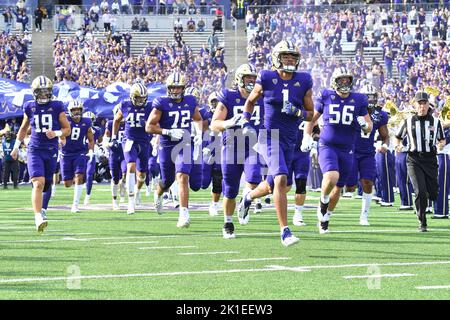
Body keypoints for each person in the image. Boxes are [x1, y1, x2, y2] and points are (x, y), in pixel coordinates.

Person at [241, 40, 314, 246]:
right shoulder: (266, 77)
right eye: (286, 56)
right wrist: (246, 121)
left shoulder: (304, 80)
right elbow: (250, 101)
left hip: (290, 138)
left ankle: (247, 198)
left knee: (275, 184)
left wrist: (298, 112)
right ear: (276, 58)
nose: (290, 60)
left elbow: (310, 114)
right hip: (269, 135)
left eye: (293, 57)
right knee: (281, 179)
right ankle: (285, 231)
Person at [303, 67, 373, 234]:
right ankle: (323, 200)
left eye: (347, 80)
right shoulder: (326, 95)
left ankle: (326, 217)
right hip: (328, 145)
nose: (344, 83)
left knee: (338, 188)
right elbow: (311, 118)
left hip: (348, 148)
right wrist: (307, 135)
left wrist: (365, 126)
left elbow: (369, 126)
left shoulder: (359, 99)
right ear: (334, 81)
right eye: (341, 80)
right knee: (332, 175)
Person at [10, 76, 71, 233]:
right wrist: (16, 147)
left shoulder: (57, 106)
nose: (43, 96)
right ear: (35, 92)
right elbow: (24, 129)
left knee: (47, 183)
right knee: (38, 183)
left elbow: (67, 129)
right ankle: (38, 217)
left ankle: (43, 209)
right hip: (35, 149)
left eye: (46, 92)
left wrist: (56, 133)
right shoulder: (30, 106)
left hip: (51, 150)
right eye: (40, 92)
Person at [210, 64, 263, 238]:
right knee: (230, 189)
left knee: (254, 179)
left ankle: (245, 202)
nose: (251, 81)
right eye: (248, 77)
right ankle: (228, 222)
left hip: (253, 147)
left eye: (253, 78)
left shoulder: (260, 97)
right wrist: (228, 122)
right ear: (239, 78)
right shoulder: (228, 96)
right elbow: (214, 124)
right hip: (231, 146)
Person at [146, 72, 203, 228]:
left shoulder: (191, 101)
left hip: (184, 144)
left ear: (183, 88)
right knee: (166, 181)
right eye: (173, 88)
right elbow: (149, 126)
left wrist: (198, 133)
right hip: (167, 145)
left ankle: (184, 213)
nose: (176, 91)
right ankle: (158, 194)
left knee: (182, 176)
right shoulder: (161, 103)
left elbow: (198, 119)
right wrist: (167, 131)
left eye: (178, 88)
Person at [395, 91, 446, 232]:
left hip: (430, 160)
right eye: (420, 103)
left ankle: (430, 195)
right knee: (420, 191)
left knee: (434, 192)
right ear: (415, 105)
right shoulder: (408, 121)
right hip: (414, 159)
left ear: (429, 104)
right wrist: (398, 145)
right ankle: (422, 221)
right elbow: (398, 136)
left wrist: (441, 144)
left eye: (424, 103)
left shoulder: (436, 122)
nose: (422, 106)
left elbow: (442, 139)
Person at [344, 83, 389, 225]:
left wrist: (384, 144)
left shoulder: (380, 115)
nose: (370, 100)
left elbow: (384, 135)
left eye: (372, 97)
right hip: (351, 151)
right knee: (350, 187)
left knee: (368, 182)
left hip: (368, 153)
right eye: (367, 97)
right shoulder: (352, 110)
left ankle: (364, 216)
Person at [112, 83, 152, 214]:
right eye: (138, 98)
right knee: (131, 166)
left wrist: (146, 124)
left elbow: (155, 123)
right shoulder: (125, 104)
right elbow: (117, 120)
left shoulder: (149, 107)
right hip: (129, 140)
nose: (141, 101)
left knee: (142, 174)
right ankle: (130, 202)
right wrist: (113, 136)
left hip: (144, 141)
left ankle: (137, 191)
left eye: (143, 98)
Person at [60, 101, 95, 213]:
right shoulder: (65, 120)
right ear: (70, 111)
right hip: (65, 153)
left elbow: (90, 139)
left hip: (79, 152)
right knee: (67, 183)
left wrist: (91, 151)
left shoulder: (86, 121)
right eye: (74, 110)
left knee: (79, 176)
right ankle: (73, 187)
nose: (76, 112)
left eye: (78, 109)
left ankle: (75, 205)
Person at [103, 106, 127, 210]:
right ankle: (114, 200)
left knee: (126, 172)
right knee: (115, 179)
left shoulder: (128, 124)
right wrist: (110, 144)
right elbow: (105, 142)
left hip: (125, 154)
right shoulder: (110, 124)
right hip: (114, 154)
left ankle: (123, 184)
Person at [83, 111, 103, 205]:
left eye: (90, 120)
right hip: (80, 152)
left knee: (90, 174)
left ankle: (87, 196)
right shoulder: (80, 127)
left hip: (91, 152)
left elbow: (100, 141)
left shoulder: (97, 129)